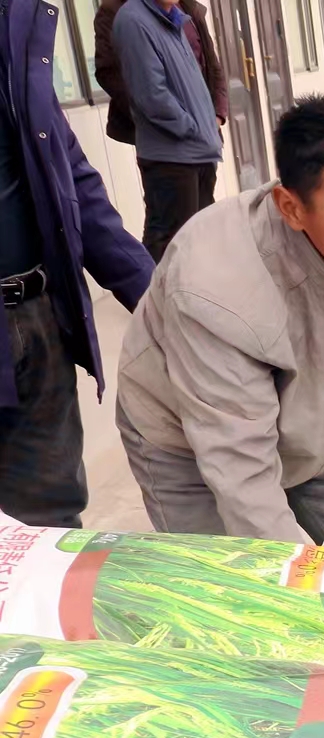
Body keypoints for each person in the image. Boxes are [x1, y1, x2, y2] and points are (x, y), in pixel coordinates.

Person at [116, 94, 324, 543]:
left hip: (309, 429)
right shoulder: (217, 286)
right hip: (189, 442)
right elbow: (243, 476)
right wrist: (295, 572)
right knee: (237, 578)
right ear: (291, 208)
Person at [0, 0, 154, 527]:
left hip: (37, 315)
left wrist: (156, 301)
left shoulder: (15, 28)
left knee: (53, 517)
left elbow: (71, 178)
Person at [112, 0, 223, 262]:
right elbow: (152, 96)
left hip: (199, 152)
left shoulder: (175, 17)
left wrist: (209, 126)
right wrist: (194, 129)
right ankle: (153, 292)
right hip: (172, 158)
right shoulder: (133, 20)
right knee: (170, 249)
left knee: (202, 244)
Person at [94, 0, 228, 147]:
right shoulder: (119, 11)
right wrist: (167, 123)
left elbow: (212, 65)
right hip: (163, 140)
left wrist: (217, 116)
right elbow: (109, 73)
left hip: (206, 133)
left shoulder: (187, 7)